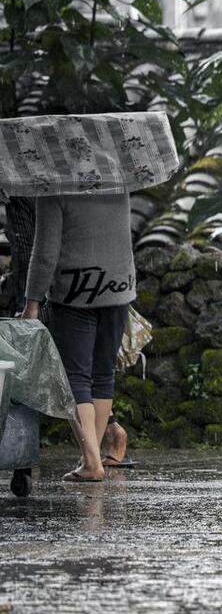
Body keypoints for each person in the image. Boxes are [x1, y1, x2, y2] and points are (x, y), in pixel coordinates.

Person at [22, 192, 135, 482]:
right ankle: (92, 458)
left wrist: (33, 301)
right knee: (103, 374)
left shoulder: (54, 189)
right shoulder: (117, 182)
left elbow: (45, 252)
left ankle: (91, 462)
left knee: (76, 378)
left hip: (75, 292)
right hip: (119, 287)